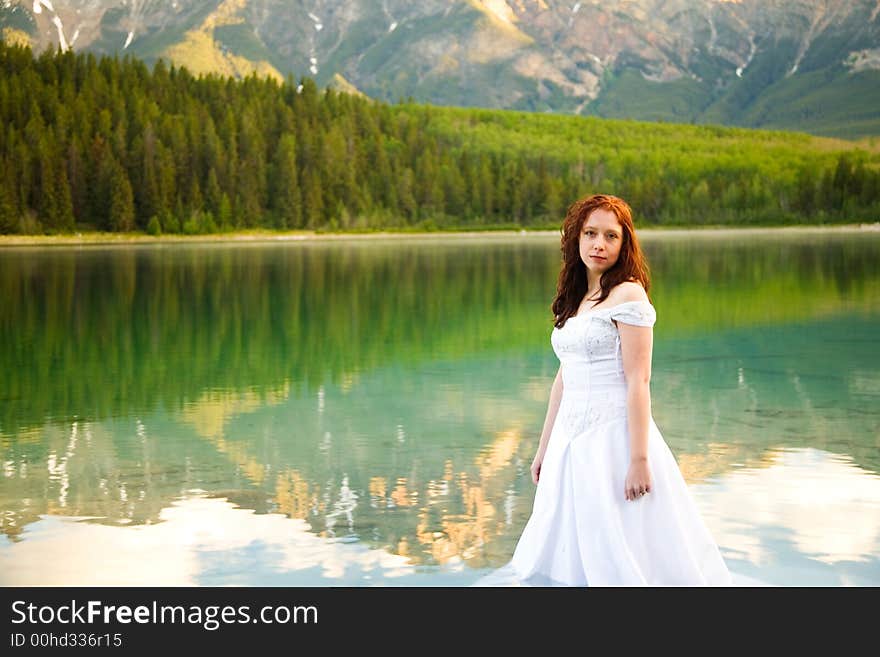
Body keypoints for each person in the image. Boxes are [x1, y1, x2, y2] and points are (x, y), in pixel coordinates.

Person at [508, 193, 731, 586]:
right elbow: (563, 378)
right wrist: (544, 448)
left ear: (624, 243)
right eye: (590, 233)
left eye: (611, 236)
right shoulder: (577, 300)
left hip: (612, 440)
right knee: (573, 545)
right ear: (575, 239)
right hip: (568, 442)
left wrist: (639, 459)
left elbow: (638, 380)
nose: (599, 244)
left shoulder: (629, 295)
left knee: (619, 543)